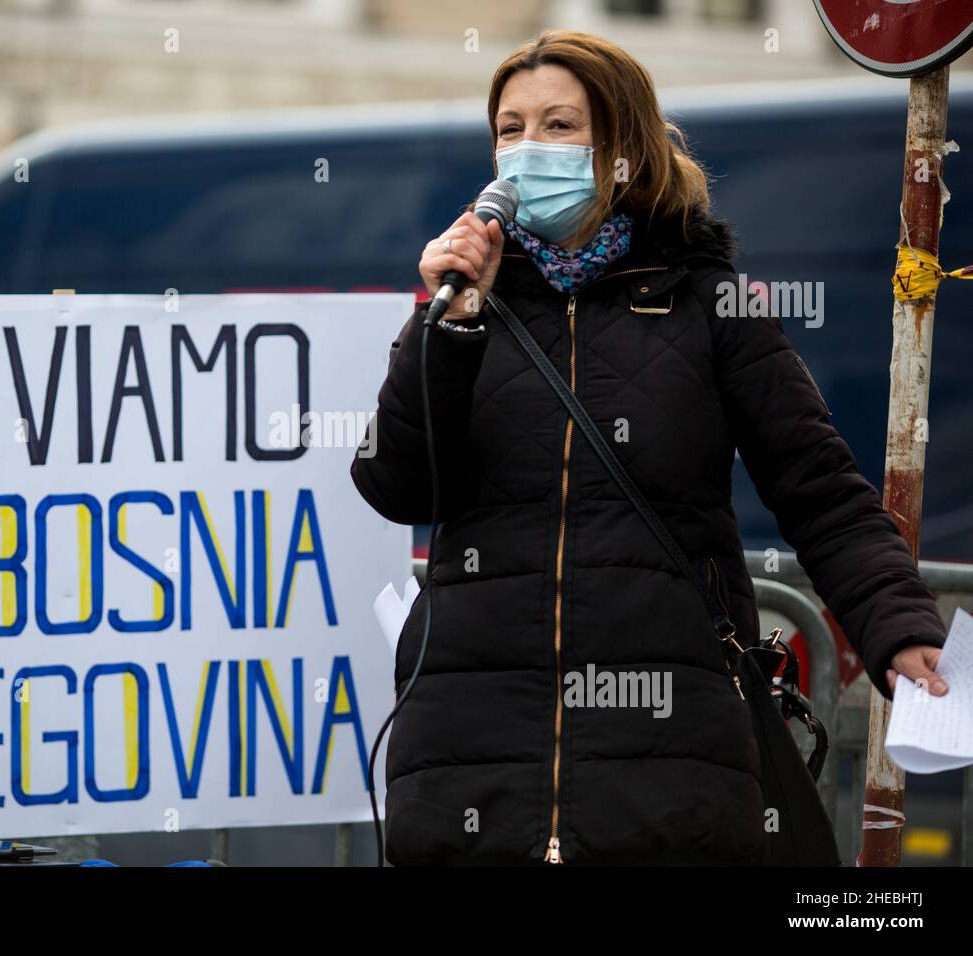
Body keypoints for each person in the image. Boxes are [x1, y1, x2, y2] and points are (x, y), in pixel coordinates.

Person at [350, 29, 948, 866]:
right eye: (510, 128)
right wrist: (447, 328)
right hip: (471, 762)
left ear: (622, 145)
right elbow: (395, 484)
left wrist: (898, 627)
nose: (528, 149)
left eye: (559, 126)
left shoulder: (707, 303)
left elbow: (819, 489)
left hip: (667, 761)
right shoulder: (463, 308)